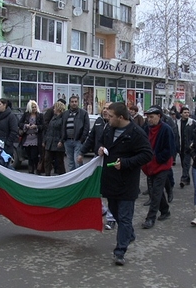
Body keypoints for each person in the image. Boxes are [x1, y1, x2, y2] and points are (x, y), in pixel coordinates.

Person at [98, 102, 152, 266]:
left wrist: (126, 163)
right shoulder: (109, 128)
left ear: (121, 117)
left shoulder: (136, 132)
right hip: (110, 180)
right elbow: (101, 143)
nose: (108, 118)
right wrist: (99, 149)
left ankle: (120, 251)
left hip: (127, 182)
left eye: (111, 116)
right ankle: (129, 234)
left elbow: (147, 154)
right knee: (114, 211)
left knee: (124, 217)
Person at [78, 102, 117, 230]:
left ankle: (111, 218)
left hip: (111, 162)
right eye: (104, 108)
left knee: (111, 190)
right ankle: (102, 209)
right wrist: (82, 152)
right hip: (98, 159)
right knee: (94, 185)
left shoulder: (116, 125)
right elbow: (91, 138)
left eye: (108, 109)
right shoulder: (99, 122)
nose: (105, 111)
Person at [141, 106, 174, 230]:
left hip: (162, 165)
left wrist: (158, 157)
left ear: (159, 116)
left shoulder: (166, 129)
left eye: (152, 117)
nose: (149, 120)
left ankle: (150, 218)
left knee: (156, 192)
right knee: (155, 191)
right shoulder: (146, 129)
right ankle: (165, 211)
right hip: (149, 165)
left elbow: (170, 149)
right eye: (148, 117)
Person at [61, 95, 90, 171]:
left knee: (77, 161)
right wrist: (63, 139)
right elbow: (63, 126)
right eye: (72, 102)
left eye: (75, 102)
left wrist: (82, 139)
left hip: (78, 141)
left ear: (78, 103)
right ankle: (72, 181)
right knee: (70, 163)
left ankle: (80, 179)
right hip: (67, 141)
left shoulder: (83, 113)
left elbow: (86, 127)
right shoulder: (65, 114)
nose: (74, 103)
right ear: (69, 103)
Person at [19, 100, 44, 174]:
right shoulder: (26, 115)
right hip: (27, 138)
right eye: (32, 107)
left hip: (36, 138)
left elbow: (43, 126)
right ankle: (31, 169)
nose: (34, 108)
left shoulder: (40, 115)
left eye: (35, 107)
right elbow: (19, 123)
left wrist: (36, 126)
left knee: (34, 155)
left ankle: (37, 168)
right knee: (29, 155)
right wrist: (25, 125)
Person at [42, 98, 67, 174]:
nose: (53, 109)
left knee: (59, 161)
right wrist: (44, 140)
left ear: (59, 109)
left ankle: (62, 176)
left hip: (58, 143)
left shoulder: (63, 118)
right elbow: (49, 130)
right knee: (47, 159)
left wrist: (61, 140)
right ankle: (47, 175)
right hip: (49, 142)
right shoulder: (53, 117)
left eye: (55, 108)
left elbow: (64, 130)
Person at [176, 107, 196, 188]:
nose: (187, 114)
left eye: (187, 112)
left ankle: (183, 179)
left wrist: (192, 143)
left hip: (189, 148)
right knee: (183, 164)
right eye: (185, 112)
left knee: (186, 163)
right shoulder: (177, 123)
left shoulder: (193, 123)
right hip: (181, 147)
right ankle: (187, 179)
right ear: (181, 114)